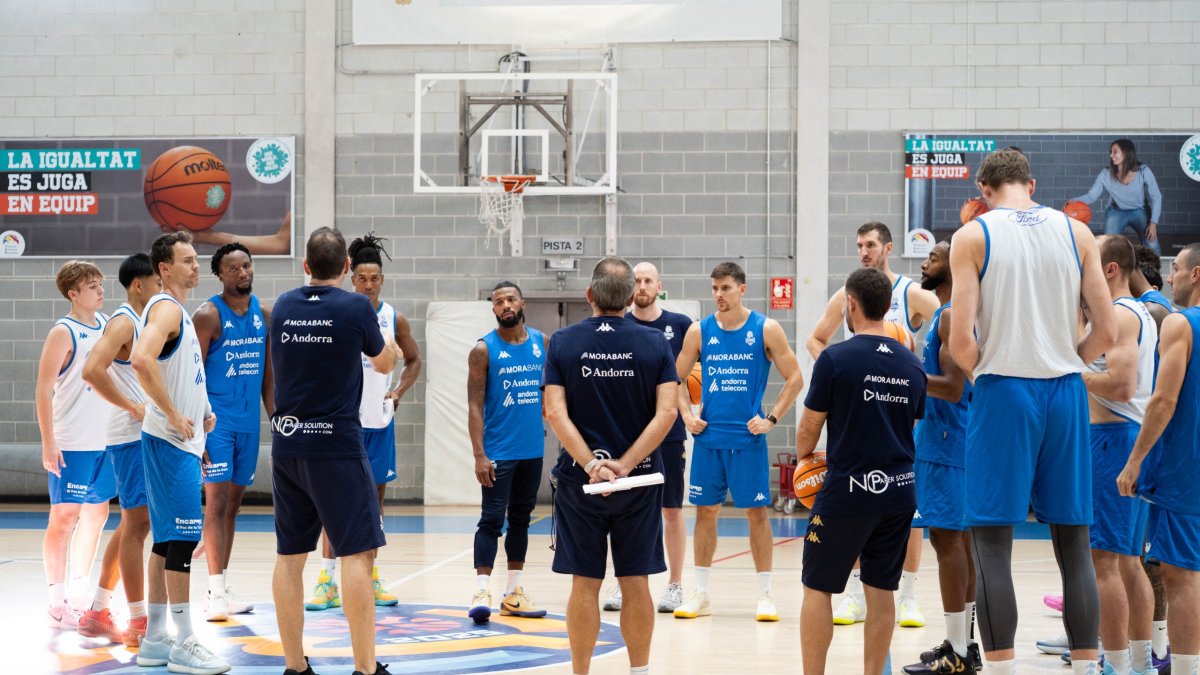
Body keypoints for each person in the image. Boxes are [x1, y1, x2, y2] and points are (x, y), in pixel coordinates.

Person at [949, 148, 1117, 674]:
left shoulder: (973, 235)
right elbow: (1107, 333)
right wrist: (1067, 359)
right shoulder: (1077, 232)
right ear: (1032, 183)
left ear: (983, 190)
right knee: (1074, 542)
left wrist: (992, 371)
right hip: (1065, 391)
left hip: (1005, 390)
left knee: (993, 545)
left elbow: (960, 341)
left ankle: (1001, 668)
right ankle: (1088, 667)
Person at [269, 227, 402, 675]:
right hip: (336, 447)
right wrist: (392, 352)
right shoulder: (356, 307)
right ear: (347, 268)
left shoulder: (284, 306)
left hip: (287, 446)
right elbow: (383, 362)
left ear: (305, 266)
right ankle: (365, 668)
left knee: (290, 558)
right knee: (358, 553)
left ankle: (295, 666)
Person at [543, 257, 679, 675]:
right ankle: (639, 671)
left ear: (590, 296)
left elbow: (553, 411)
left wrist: (591, 465)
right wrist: (624, 465)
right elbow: (668, 413)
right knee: (636, 581)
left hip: (579, 484)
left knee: (584, 582)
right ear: (629, 297)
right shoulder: (655, 343)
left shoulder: (562, 342)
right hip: (637, 483)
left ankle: (581, 672)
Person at [807, 221, 941, 628]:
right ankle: (853, 594)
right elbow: (816, 339)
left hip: (902, 417)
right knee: (855, 508)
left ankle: (911, 596)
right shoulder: (845, 294)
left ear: (888, 248)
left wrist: (916, 369)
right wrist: (845, 374)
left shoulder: (911, 294)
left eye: (870, 245)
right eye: (859, 245)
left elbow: (948, 327)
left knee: (908, 514)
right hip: (860, 414)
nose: (864, 251)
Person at [796, 267, 928, 675]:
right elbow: (910, 425)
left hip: (847, 492)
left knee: (818, 588)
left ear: (849, 304)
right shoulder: (912, 364)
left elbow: (809, 427)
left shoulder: (835, 359)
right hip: (899, 491)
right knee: (882, 590)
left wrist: (805, 458)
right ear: (888, 307)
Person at [673, 261, 804, 622]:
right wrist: (686, 415)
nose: (719, 295)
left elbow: (795, 378)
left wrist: (772, 418)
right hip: (708, 438)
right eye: (714, 288)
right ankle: (700, 593)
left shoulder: (767, 328)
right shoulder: (698, 332)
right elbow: (674, 379)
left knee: (757, 514)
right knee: (705, 513)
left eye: (726, 288)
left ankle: (765, 594)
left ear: (742, 289)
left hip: (748, 439)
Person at [305, 233, 421, 612]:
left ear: (381, 280)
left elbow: (414, 359)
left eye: (374, 279)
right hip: (342, 424)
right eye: (361, 278)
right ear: (350, 277)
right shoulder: (339, 312)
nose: (368, 285)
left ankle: (371, 575)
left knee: (374, 502)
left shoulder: (393, 317)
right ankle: (326, 580)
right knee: (332, 503)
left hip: (378, 424)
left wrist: (399, 390)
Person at [131, 232, 228, 673]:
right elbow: (141, 359)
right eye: (187, 260)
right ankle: (185, 641)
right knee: (184, 540)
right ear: (164, 269)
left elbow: (180, 374)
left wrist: (200, 419)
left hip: (182, 444)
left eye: (196, 258)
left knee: (167, 540)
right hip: (168, 442)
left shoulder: (181, 313)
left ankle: (154, 639)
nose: (196, 265)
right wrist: (171, 413)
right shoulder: (167, 306)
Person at [1076, 235, 1159, 675]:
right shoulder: (1135, 313)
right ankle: (1138, 663)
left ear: (1109, 270)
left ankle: (1119, 664)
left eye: (1088, 261)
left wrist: (1075, 374)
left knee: (1104, 560)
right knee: (1126, 562)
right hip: (1122, 437)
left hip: (1114, 439)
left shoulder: (1122, 315)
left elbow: (1122, 385)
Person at [1118, 242, 1200, 675]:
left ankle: (1184, 668)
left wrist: (1134, 462)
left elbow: (1164, 400)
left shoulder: (1181, 324)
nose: (1170, 278)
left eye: (1178, 270)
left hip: (1186, 468)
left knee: (1182, 576)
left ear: (1196, 275)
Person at [902, 241, 982, 674]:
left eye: (932, 257)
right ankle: (963, 645)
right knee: (959, 545)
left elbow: (951, 386)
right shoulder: (947, 313)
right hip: (951, 439)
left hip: (948, 441)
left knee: (949, 544)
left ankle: (958, 651)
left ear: (951, 266)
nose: (924, 263)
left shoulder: (951, 315)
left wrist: (906, 371)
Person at [603, 262, 693, 614]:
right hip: (625, 435)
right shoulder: (617, 326)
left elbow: (687, 377)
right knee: (624, 510)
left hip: (667, 433)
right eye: (636, 281)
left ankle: (675, 584)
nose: (641, 286)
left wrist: (688, 411)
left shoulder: (680, 326)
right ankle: (623, 581)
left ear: (659, 285)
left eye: (647, 281)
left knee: (670, 509)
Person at [80, 253, 161, 647]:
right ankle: (140, 619)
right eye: (156, 281)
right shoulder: (125, 320)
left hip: (142, 434)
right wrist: (132, 406)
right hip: (130, 436)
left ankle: (98, 610)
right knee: (138, 526)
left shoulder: (148, 320)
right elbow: (91, 370)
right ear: (138, 285)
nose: (162, 288)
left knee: (132, 524)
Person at [193, 242, 273, 621]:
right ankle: (212, 592)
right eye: (234, 268)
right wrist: (197, 430)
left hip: (248, 427)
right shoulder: (207, 315)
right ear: (221, 275)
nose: (243, 273)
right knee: (217, 503)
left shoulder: (264, 314)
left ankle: (221, 586)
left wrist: (277, 419)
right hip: (216, 425)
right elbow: (191, 375)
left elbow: (268, 377)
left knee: (234, 507)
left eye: (247, 266)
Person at [36, 261, 117, 629]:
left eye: (100, 284)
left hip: (105, 440)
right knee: (64, 518)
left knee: (97, 515)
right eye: (92, 286)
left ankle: (81, 588)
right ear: (73, 294)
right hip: (72, 442)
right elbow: (42, 389)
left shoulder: (105, 326)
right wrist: (48, 443)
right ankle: (56, 601)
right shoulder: (63, 332)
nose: (100, 290)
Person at [465, 281, 549, 623]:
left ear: (522, 302)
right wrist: (479, 455)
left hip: (532, 449)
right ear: (494, 309)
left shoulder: (542, 343)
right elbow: (473, 405)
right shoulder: (483, 350)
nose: (505, 305)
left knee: (521, 520)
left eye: (511, 299)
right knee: (490, 520)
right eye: (499, 301)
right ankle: (481, 590)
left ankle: (514, 592)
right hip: (498, 451)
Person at [1070, 139, 1164, 255]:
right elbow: (1091, 196)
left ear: (1126, 152)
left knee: (1152, 244)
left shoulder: (1143, 171)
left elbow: (1156, 197)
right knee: (1108, 246)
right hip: (1116, 212)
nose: (1111, 155)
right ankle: (1108, 272)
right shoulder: (1105, 174)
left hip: (1140, 211)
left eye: (1115, 152)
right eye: (1111, 152)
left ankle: (1156, 272)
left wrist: (1153, 223)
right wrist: (1073, 201)